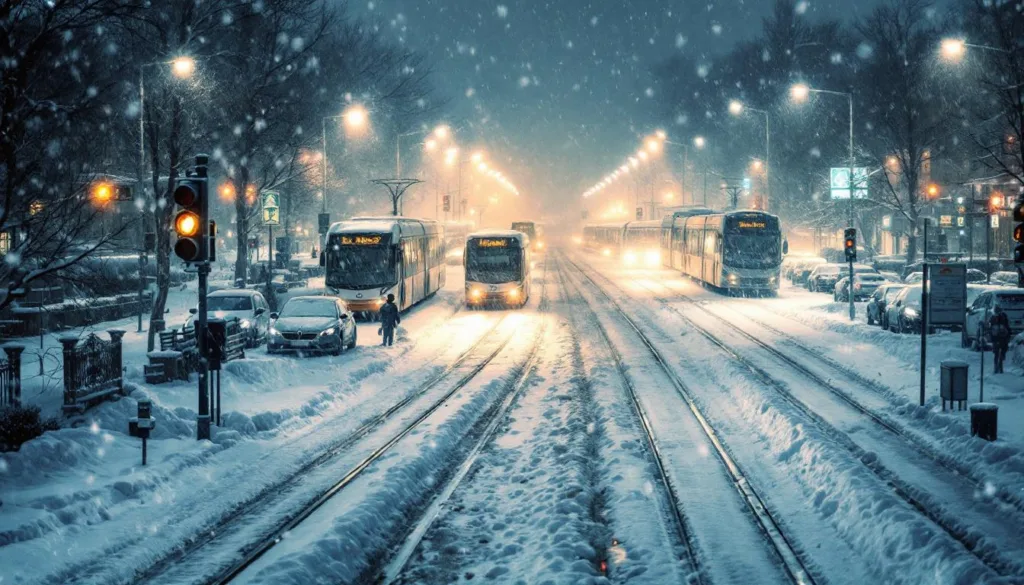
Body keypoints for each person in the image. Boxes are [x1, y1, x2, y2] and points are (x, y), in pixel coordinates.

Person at [989, 304, 1011, 374]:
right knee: (999, 352)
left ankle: (997, 367)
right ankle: (998, 367)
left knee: (998, 352)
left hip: (999, 337)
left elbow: (990, 328)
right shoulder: (996, 317)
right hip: (999, 337)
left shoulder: (996, 317)